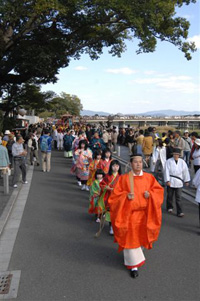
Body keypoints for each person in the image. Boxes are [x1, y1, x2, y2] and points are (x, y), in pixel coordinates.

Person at [108, 154, 164, 278]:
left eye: (140, 162)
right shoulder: (124, 178)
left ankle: (137, 255)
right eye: (135, 162)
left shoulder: (149, 178)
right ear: (130, 163)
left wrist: (151, 194)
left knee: (142, 238)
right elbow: (115, 196)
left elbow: (158, 191)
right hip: (130, 215)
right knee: (130, 239)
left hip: (145, 214)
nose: (138, 164)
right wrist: (125, 196)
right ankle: (133, 265)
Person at [164, 148, 190, 217]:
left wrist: (186, 180)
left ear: (179, 155)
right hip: (171, 180)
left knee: (178, 198)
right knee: (170, 196)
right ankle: (169, 207)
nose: (176, 155)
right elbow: (166, 171)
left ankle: (180, 211)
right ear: (173, 154)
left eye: (177, 154)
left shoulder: (182, 162)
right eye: (175, 154)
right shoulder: (169, 161)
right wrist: (167, 180)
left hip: (179, 181)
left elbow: (185, 171)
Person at [98, 160, 122, 235]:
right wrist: (107, 187)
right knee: (110, 212)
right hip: (109, 196)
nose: (115, 168)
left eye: (117, 166)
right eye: (114, 166)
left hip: (118, 197)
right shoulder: (107, 176)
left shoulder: (121, 177)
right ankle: (111, 226)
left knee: (117, 212)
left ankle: (116, 226)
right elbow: (102, 184)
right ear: (111, 167)